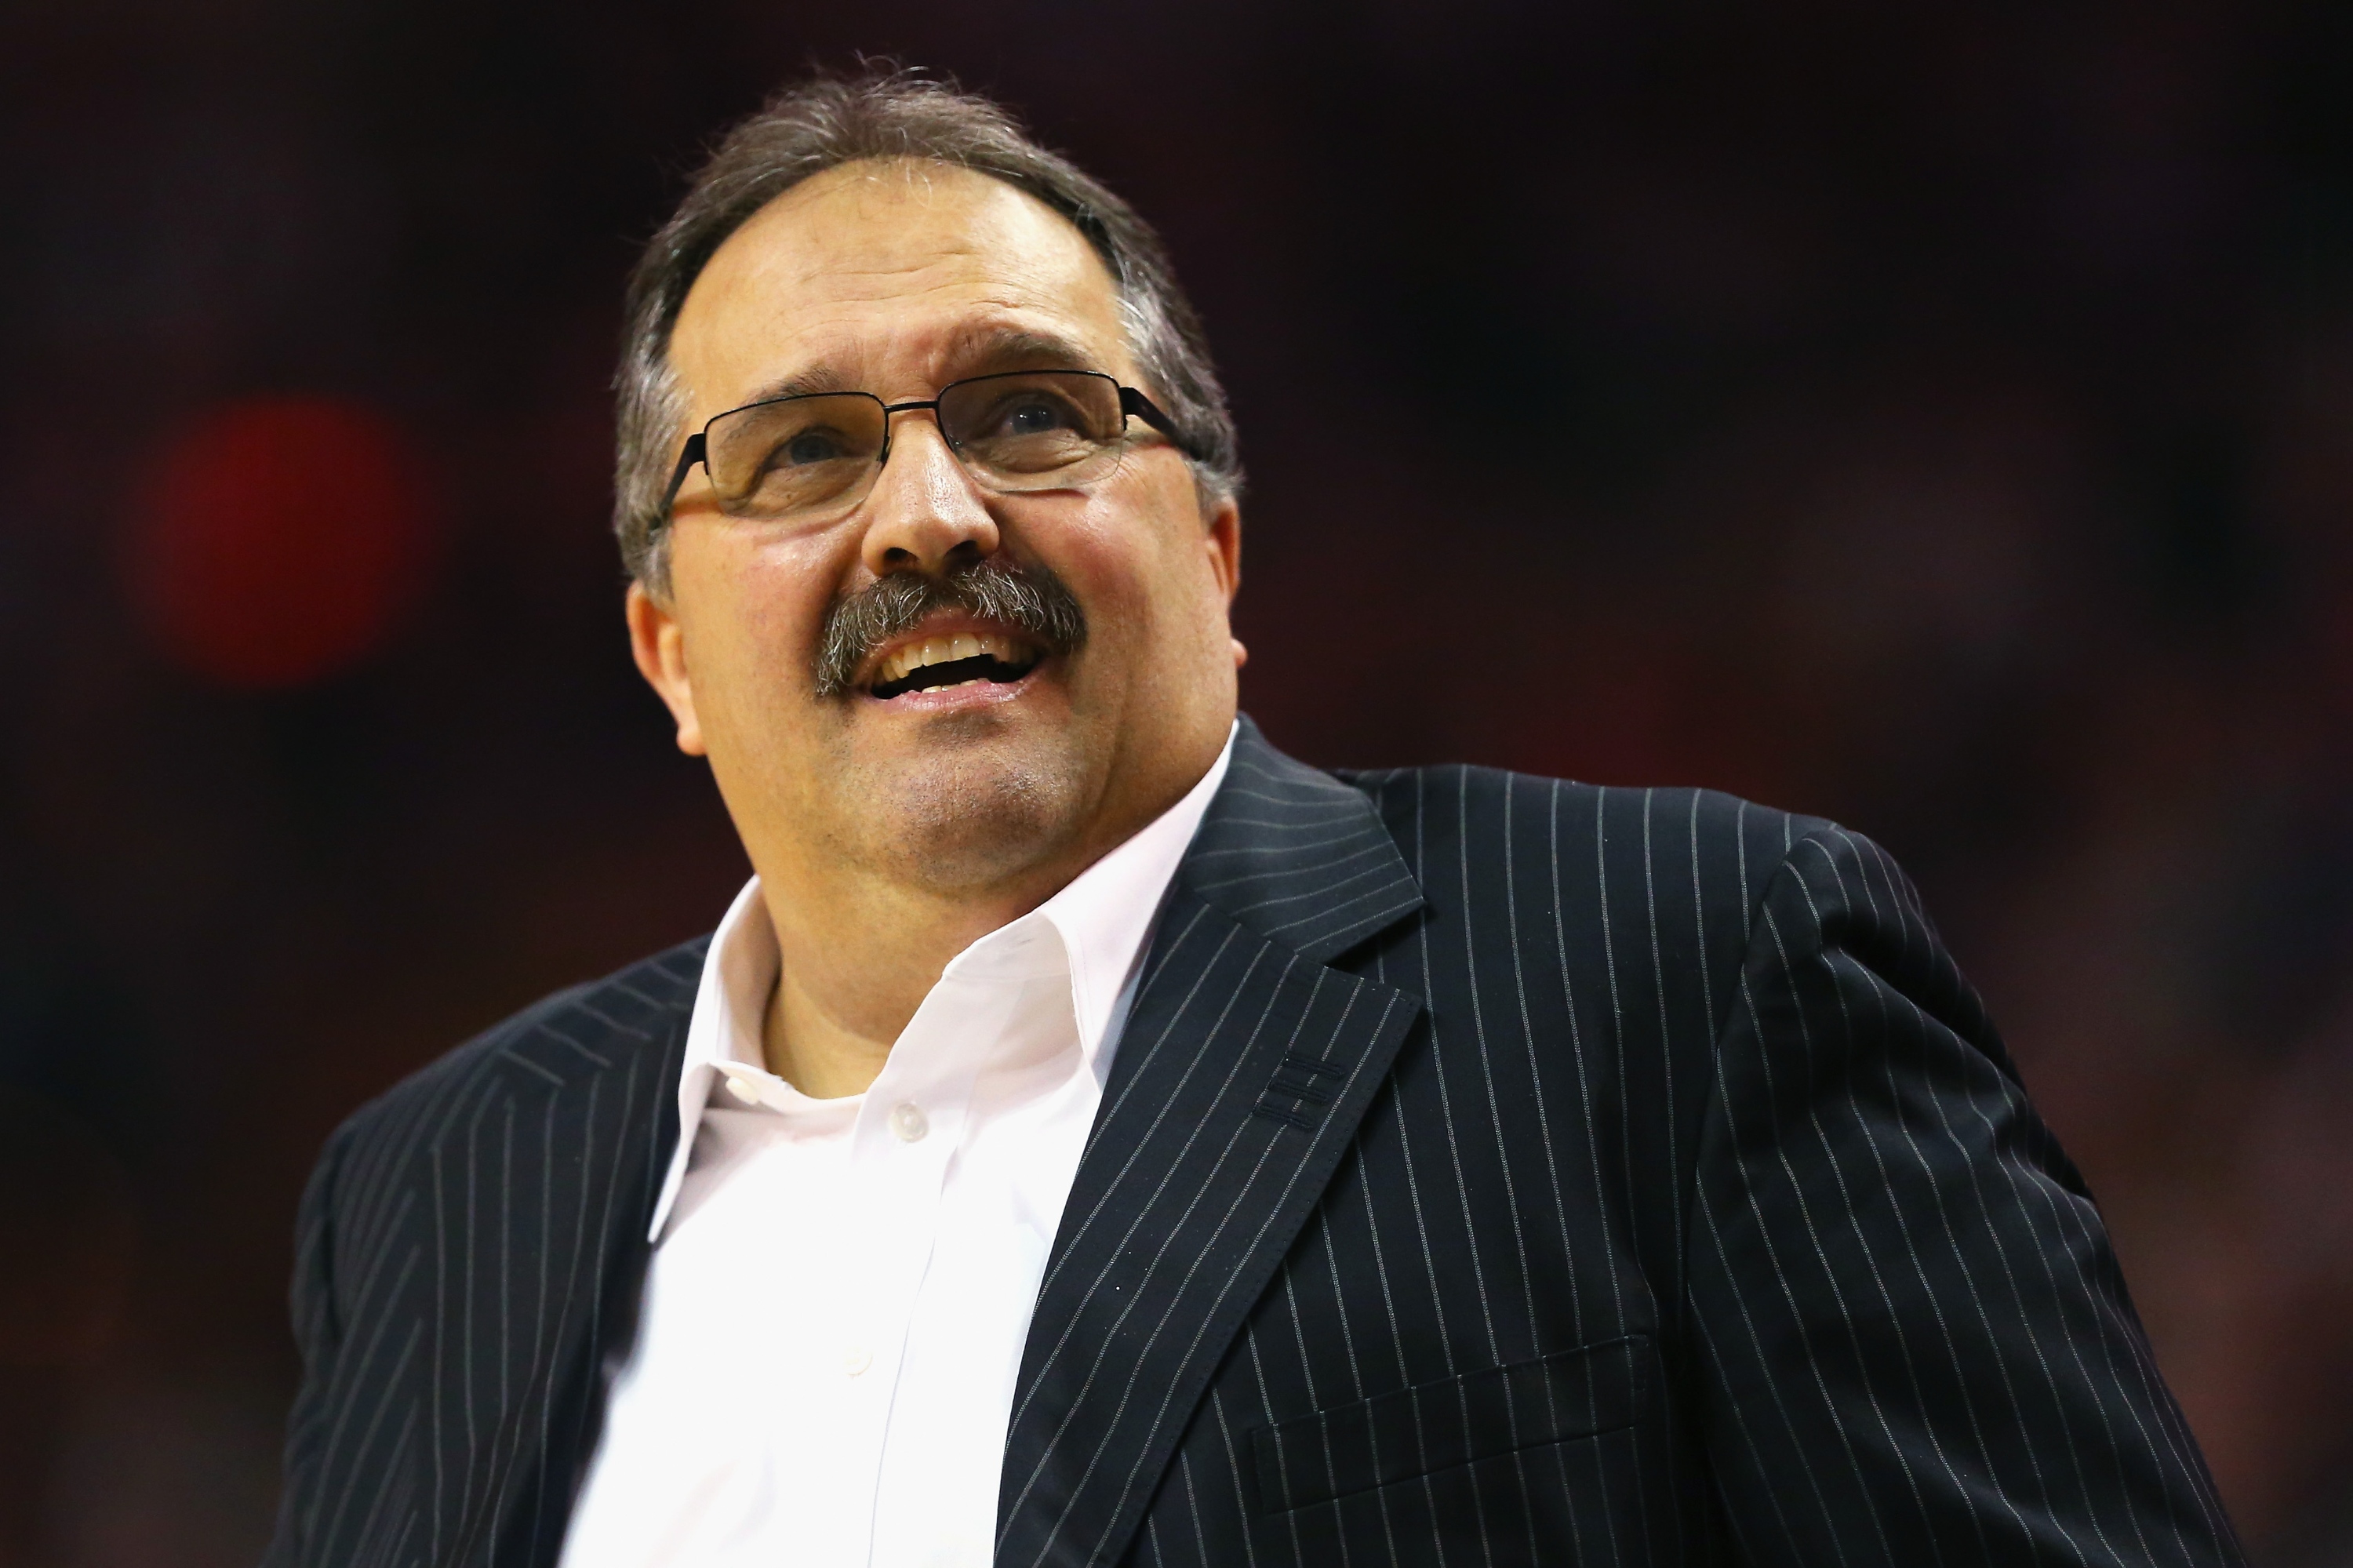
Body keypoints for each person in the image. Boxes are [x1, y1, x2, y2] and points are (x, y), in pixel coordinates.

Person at [262, 67, 2243, 1568]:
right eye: (796, 455)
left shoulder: (1682, 967)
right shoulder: (432, 1192)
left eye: (1032, 414)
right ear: (668, 650)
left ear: (1214, 551)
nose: (932, 514)